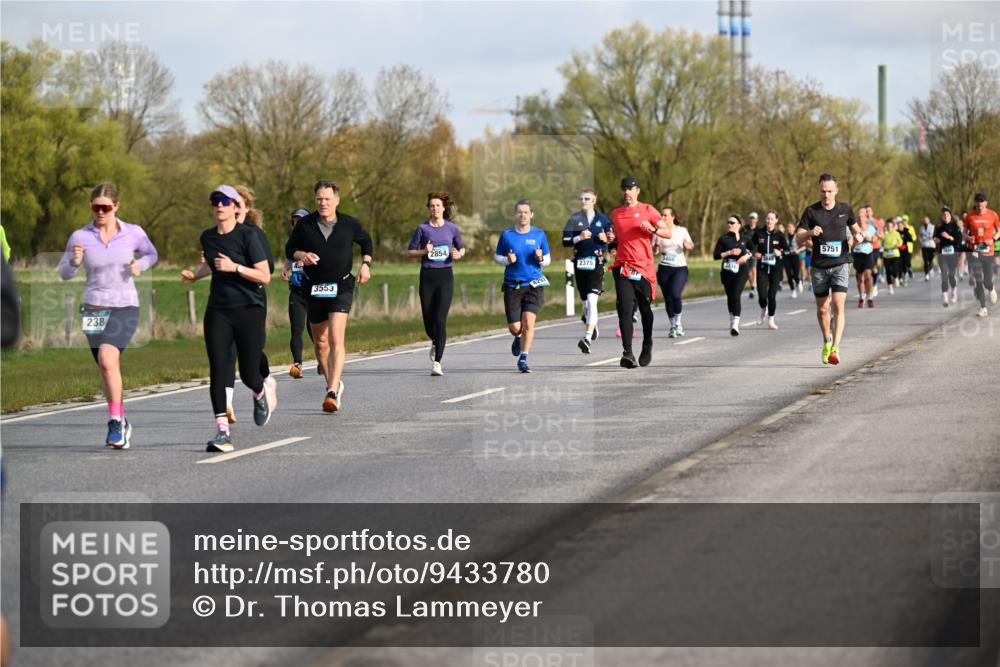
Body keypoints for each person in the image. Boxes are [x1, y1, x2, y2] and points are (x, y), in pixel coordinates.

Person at [57, 183, 158, 449]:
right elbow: (63, 273)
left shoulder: (133, 233)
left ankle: (114, 421)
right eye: (95, 207)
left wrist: (141, 265)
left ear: (116, 207)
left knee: (107, 357)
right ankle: (122, 421)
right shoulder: (80, 236)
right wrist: (74, 262)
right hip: (93, 307)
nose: (100, 212)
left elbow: (152, 253)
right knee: (106, 367)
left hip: (125, 306)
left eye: (105, 207)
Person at [181, 185, 276, 452]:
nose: (219, 205)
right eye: (214, 201)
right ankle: (222, 432)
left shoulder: (249, 236)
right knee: (218, 369)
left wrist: (235, 267)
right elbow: (212, 264)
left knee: (248, 373)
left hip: (249, 309)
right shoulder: (208, 237)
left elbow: (264, 276)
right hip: (218, 311)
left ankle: (259, 392)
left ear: (236, 207)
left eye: (224, 201)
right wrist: (196, 275)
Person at [286, 180, 373, 410]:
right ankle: (332, 384)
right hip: (313, 287)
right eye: (319, 199)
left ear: (336, 200)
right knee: (320, 343)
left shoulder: (349, 224)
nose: (323, 203)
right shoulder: (305, 225)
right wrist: (302, 255)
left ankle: (332, 392)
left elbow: (366, 242)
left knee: (335, 337)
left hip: (341, 286)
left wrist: (366, 264)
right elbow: (289, 250)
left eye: (327, 199)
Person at [795, 173, 864, 365]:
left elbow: (857, 231)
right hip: (819, 267)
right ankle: (827, 340)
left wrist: (858, 238)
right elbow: (797, 238)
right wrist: (810, 232)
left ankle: (836, 348)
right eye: (823, 191)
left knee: (838, 305)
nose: (826, 195)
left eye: (830, 191)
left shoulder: (845, 209)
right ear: (819, 191)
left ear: (836, 191)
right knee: (823, 309)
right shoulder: (811, 212)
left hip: (841, 263)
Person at [221, 185, 275, 422]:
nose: (233, 208)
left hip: (253, 299)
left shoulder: (254, 234)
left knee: (249, 351)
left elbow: (268, 269)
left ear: (245, 208)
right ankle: (227, 405)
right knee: (227, 350)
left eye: (238, 204)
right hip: (226, 300)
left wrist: (238, 267)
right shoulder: (221, 233)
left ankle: (265, 379)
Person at [407, 191, 466, 375]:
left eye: (438, 205)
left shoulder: (452, 228)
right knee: (428, 321)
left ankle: (437, 363)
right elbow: (410, 251)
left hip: (445, 276)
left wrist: (459, 253)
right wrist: (424, 251)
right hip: (427, 276)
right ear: (429, 209)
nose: (435, 209)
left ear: (443, 208)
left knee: (440, 320)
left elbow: (461, 247)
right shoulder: (422, 229)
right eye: (432, 206)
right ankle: (435, 340)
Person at [609, 177, 662, 368]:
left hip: (644, 268)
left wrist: (654, 229)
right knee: (624, 308)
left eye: (630, 189)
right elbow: (617, 238)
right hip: (623, 266)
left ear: (637, 190)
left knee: (645, 309)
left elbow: (667, 232)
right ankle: (627, 353)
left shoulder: (648, 210)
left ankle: (647, 343)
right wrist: (611, 239)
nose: (627, 192)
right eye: (624, 189)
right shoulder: (616, 213)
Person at [494, 199, 550, 373]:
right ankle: (517, 337)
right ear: (515, 214)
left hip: (534, 284)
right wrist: (507, 260)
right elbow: (497, 256)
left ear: (531, 214)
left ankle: (524, 358)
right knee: (515, 328)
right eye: (520, 212)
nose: (523, 215)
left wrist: (541, 258)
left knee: (528, 323)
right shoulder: (507, 235)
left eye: (526, 212)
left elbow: (547, 260)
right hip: (513, 285)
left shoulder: (539, 235)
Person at [562, 188, 611, 353]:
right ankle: (592, 324)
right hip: (580, 264)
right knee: (585, 304)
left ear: (594, 200)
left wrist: (608, 239)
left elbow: (612, 238)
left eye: (587, 199)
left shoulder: (603, 220)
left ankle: (587, 338)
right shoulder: (574, 219)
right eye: (582, 198)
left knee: (592, 301)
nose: (584, 201)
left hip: (596, 263)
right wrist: (579, 238)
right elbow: (565, 241)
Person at [282, 208, 313, 378]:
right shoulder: (291, 241)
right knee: (297, 328)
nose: (298, 222)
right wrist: (286, 268)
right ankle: (297, 364)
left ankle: (322, 359)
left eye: (301, 219)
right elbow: (289, 256)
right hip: (297, 291)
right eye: (295, 219)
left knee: (315, 330)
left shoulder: (315, 239)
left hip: (315, 291)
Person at [654, 207, 694, 338]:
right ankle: (672, 326)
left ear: (673, 217)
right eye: (662, 215)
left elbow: (690, 244)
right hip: (664, 268)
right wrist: (656, 244)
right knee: (668, 299)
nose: (663, 217)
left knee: (676, 294)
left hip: (679, 268)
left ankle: (678, 323)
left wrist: (688, 246)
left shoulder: (681, 230)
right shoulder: (658, 231)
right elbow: (654, 251)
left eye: (665, 215)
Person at [713, 214, 755, 335]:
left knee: (736, 295)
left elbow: (753, 249)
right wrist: (729, 252)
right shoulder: (723, 239)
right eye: (728, 222)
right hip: (727, 271)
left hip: (741, 270)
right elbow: (716, 255)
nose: (729, 225)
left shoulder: (745, 239)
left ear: (739, 225)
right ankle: (732, 319)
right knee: (730, 296)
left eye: (732, 222)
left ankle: (736, 324)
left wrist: (746, 256)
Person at [962, 193, 1000, 318]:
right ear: (975, 203)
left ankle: (991, 288)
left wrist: (993, 239)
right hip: (975, 252)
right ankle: (983, 308)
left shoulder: (992, 214)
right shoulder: (969, 216)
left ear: (986, 203)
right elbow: (964, 232)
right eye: (978, 201)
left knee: (987, 281)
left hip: (988, 251)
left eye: (982, 201)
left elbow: (999, 230)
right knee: (978, 280)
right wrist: (968, 237)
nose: (980, 204)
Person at [751, 211, 789, 330]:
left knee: (771, 296)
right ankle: (763, 309)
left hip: (775, 270)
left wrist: (780, 252)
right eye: (768, 218)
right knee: (762, 296)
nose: (769, 221)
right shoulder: (759, 233)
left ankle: (771, 319)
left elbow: (787, 250)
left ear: (776, 220)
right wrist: (754, 254)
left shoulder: (780, 235)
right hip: (762, 268)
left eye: (772, 219)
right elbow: (750, 247)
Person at [934, 206, 961, 307]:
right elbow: (935, 238)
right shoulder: (939, 227)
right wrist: (937, 240)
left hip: (953, 254)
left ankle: (954, 291)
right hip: (942, 254)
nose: (945, 216)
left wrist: (949, 237)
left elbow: (958, 241)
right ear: (942, 216)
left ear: (950, 216)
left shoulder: (955, 226)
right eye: (944, 215)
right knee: (944, 276)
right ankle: (945, 298)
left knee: (951, 276)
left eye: (947, 214)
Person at [852, 205, 878, 309]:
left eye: (862, 216)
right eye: (859, 216)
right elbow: (850, 242)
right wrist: (855, 240)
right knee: (860, 278)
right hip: (857, 254)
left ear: (865, 217)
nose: (860, 218)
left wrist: (870, 239)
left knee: (868, 275)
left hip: (868, 254)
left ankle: (870, 297)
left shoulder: (871, 228)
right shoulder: (853, 229)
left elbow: (875, 238)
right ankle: (861, 297)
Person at [881, 219, 904, 295]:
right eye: (888, 226)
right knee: (888, 271)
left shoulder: (896, 233)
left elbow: (900, 242)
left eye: (890, 226)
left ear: (893, 226)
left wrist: (898, 245)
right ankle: (890, 288)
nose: (889, 227)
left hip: (895, 254)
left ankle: (896, 276)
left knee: (894, 269)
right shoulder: (884, 234)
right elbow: (881, 243)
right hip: (886, 254)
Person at [783, 221, 802, 298]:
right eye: (788, 227)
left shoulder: (798, 236)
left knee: (795, 273)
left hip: (795, 256)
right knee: (789, 274)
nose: (789, 229)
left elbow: (804, 246)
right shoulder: (784, 237)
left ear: (794, 228)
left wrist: (798, 250)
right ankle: (793, 290)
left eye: (791, 227)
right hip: (787, 256)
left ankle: (798, 281)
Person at [745, 211, 759, 299]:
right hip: (746, 252)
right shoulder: (745, 229)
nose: (752, 220)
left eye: (754, 218)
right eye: (751, 218)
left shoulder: (759, 230)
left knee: (754, 268)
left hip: (755, 251)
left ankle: (754, 285)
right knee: (748, 271)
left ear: (757, 220)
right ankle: (752, 287)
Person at [919, 215, 937, 281]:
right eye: (924, 220)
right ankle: (926, 275)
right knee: (926, 261)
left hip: (931, 246)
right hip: (924, 246)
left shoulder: (932, 227)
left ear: (929, 220)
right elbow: (920, 236)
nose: (925, 221)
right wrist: (921, 241)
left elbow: (933, 235)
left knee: (930, 259)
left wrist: (930, 237)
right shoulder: (921, 228)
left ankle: (931, 267)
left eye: (926, 220)